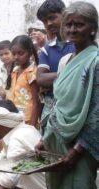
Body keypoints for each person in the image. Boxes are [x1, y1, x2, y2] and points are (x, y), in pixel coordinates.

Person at [36, 2, 99, 189]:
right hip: (57, 144)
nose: (72, 30)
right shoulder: (65, 62)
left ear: (93, 28)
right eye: (68, 24)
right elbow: (58, 104)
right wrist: (45, 139)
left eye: (79, 25)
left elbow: (97, 113)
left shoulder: (96, 61)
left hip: (81, 147)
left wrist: (78, 149)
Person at [36, 0, 75, 133]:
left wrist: (52, 81)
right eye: (44, 21)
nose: (48, 24)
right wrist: (70, 73)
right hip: (52, 107)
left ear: (64, 14)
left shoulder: (79, 44)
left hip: (74, 106)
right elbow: (40, 79)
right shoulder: (48, 48)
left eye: (52, 18)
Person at [6, 35, 40, 126]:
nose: (16, 57)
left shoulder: (32, 73)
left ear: (30, 53)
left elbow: (36, 103)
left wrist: (32, 127)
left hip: (27, 121)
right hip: (13, 119)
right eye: (13, 54)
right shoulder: (14, 72)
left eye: (21, 53)